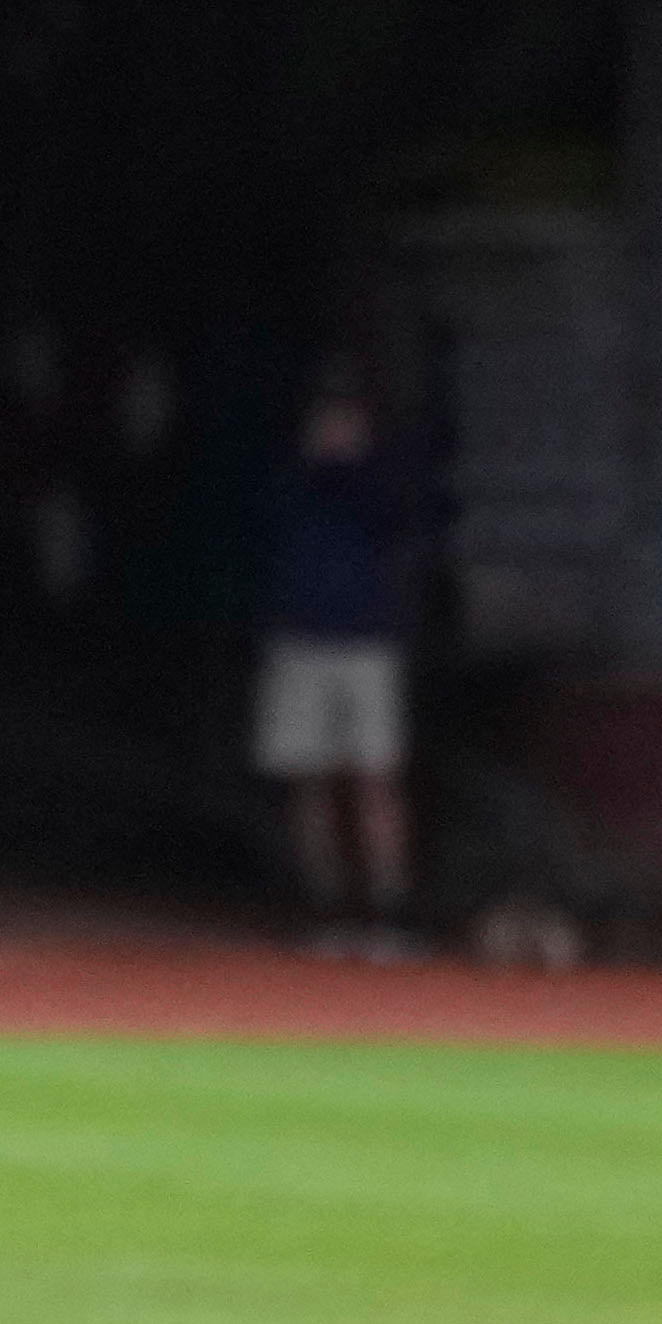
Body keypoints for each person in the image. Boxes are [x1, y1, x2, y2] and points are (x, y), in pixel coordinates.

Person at [254, 370, 414, 931]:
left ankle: (387, 906)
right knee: (309, 778)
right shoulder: (290, 483)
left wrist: (353, 471)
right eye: (328, 420)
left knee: (377, 777)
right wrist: (313, 466)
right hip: (299, 644)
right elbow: (267, 527)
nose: (337, 430)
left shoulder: (380, 483)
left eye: (347, 421)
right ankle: (322, 903)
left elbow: (401, 522)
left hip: (367, 646)